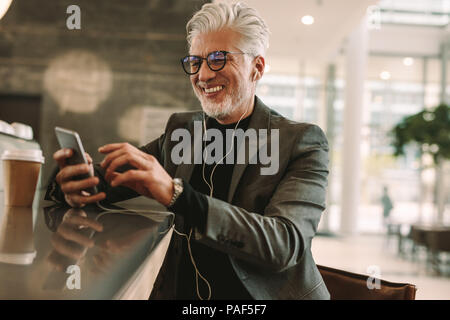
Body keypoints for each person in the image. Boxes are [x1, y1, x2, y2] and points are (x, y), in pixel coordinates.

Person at [46, 2, 330, 300]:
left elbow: (284, 245)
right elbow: (108, 182)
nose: (203, 75)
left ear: (256, 68)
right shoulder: (182, 132)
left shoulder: (301, 142)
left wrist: (177, 194)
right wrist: (73, 182)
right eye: (195, 62)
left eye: (218, 59)